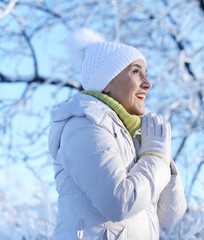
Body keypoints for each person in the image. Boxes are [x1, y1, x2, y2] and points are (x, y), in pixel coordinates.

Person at [48, 28, 187, 239]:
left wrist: (162, 157)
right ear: (107, 83)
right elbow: (118, 203)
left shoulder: (137, 137)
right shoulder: (84, 126)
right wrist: (155, 158)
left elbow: (169, 216)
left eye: (146, 73)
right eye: (135, 71)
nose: (147, 83)